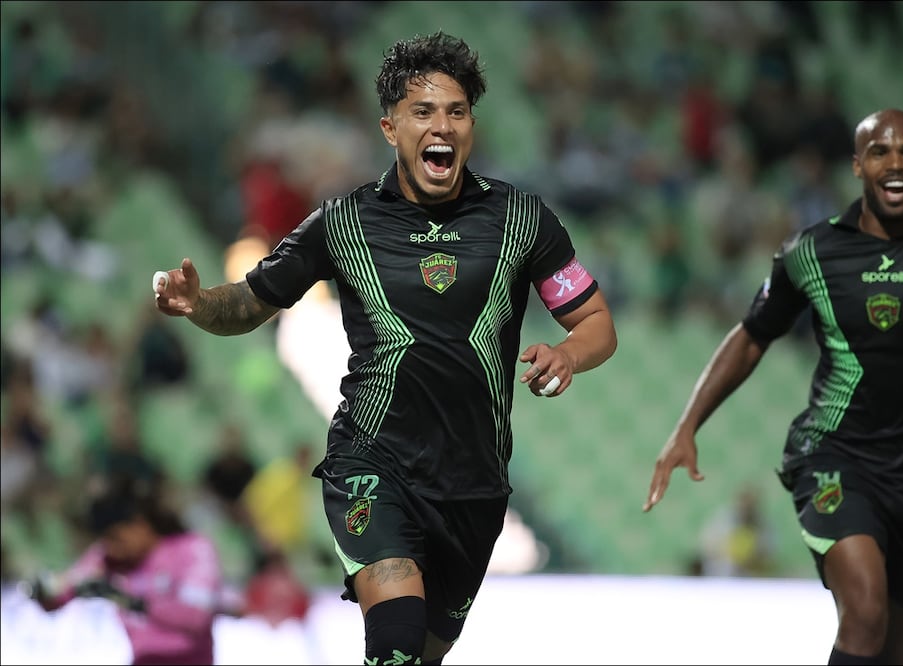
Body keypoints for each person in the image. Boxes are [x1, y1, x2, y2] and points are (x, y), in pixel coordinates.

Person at [152, 31, 617, 665]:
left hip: (475, 487)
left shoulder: (523, 219)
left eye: (456, 111)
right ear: (390, 127)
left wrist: (569, 353)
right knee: (395, 641)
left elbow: (594, 321)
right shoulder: (342, 222)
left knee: (418, 657)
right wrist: (198, 303)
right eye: (423, 112)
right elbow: (248, 305)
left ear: (472, 125)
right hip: (372, 465)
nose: (442, 127)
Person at [643, 108, 903, 665]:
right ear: (858, 164)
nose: (895, 162)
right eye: (880, 151)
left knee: (893, 646)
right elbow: (751, 336)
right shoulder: (809, 252)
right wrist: (687, 424)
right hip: (833, 456)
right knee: (863, 613)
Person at [22, 477, 223, 665]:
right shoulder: (107, 558)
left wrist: (127, 600)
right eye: (104, 539)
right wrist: (44, 589)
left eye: (115, 537)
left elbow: (196, 617)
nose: (110, 547)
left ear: (140, 524)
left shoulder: (192, 549)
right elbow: (62, 591)